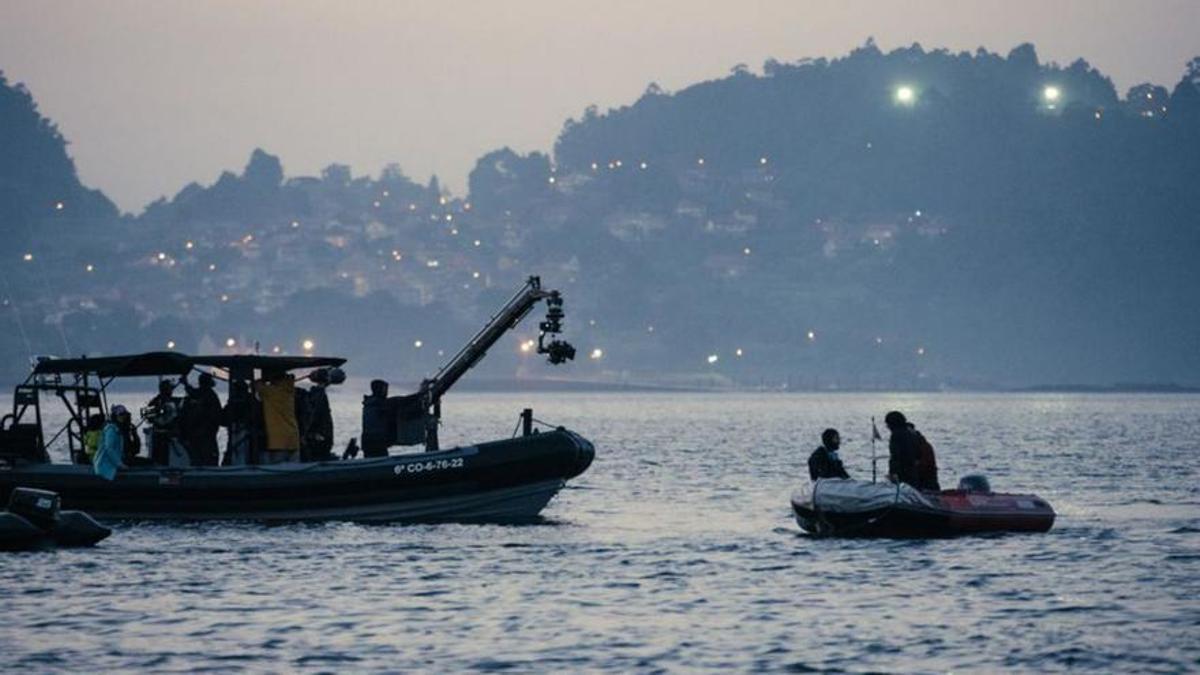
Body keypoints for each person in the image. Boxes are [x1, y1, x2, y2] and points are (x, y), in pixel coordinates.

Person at [884, 411, 940, 491]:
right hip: (924, 477)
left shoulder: (897, 435)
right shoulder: (914, 433)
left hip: (910, 477)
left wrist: (893, 474)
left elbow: (897, 458)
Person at [254, 372, 301, 463]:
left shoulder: (271, 392)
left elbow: (256, 385)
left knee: (277, 467)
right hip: (293, 439)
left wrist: (264, 379)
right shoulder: (289, 391)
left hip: (278, 440)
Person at [181, 372, 222, 466]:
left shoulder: (208, 395)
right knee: (202, 456)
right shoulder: (209, 395)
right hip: (202, 433)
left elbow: (193, 393)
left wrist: (186, 384)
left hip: (205, 433)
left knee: (204, 456)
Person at [146, 379, 181, 465]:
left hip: (166, 434)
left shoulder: (171, 400)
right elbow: (150, 416)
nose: (171, 391)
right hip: (161, 435)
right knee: (160, 457)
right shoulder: (157, 402)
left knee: (163, 457)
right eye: (170, 389)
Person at [92, 406, 127, 480]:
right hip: (104, 463)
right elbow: (109, 448)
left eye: (124, 414)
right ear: (115, 417)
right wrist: (119, 464)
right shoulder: (111, 430)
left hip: (113, 461)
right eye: (120, 415)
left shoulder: (118, 429)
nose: (123, 417)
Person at [360, 379, 392, 458]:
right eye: (385, 389)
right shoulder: (379, 404)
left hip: (368, 441)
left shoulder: (369, 403)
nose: (387, 392)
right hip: (377, 442)